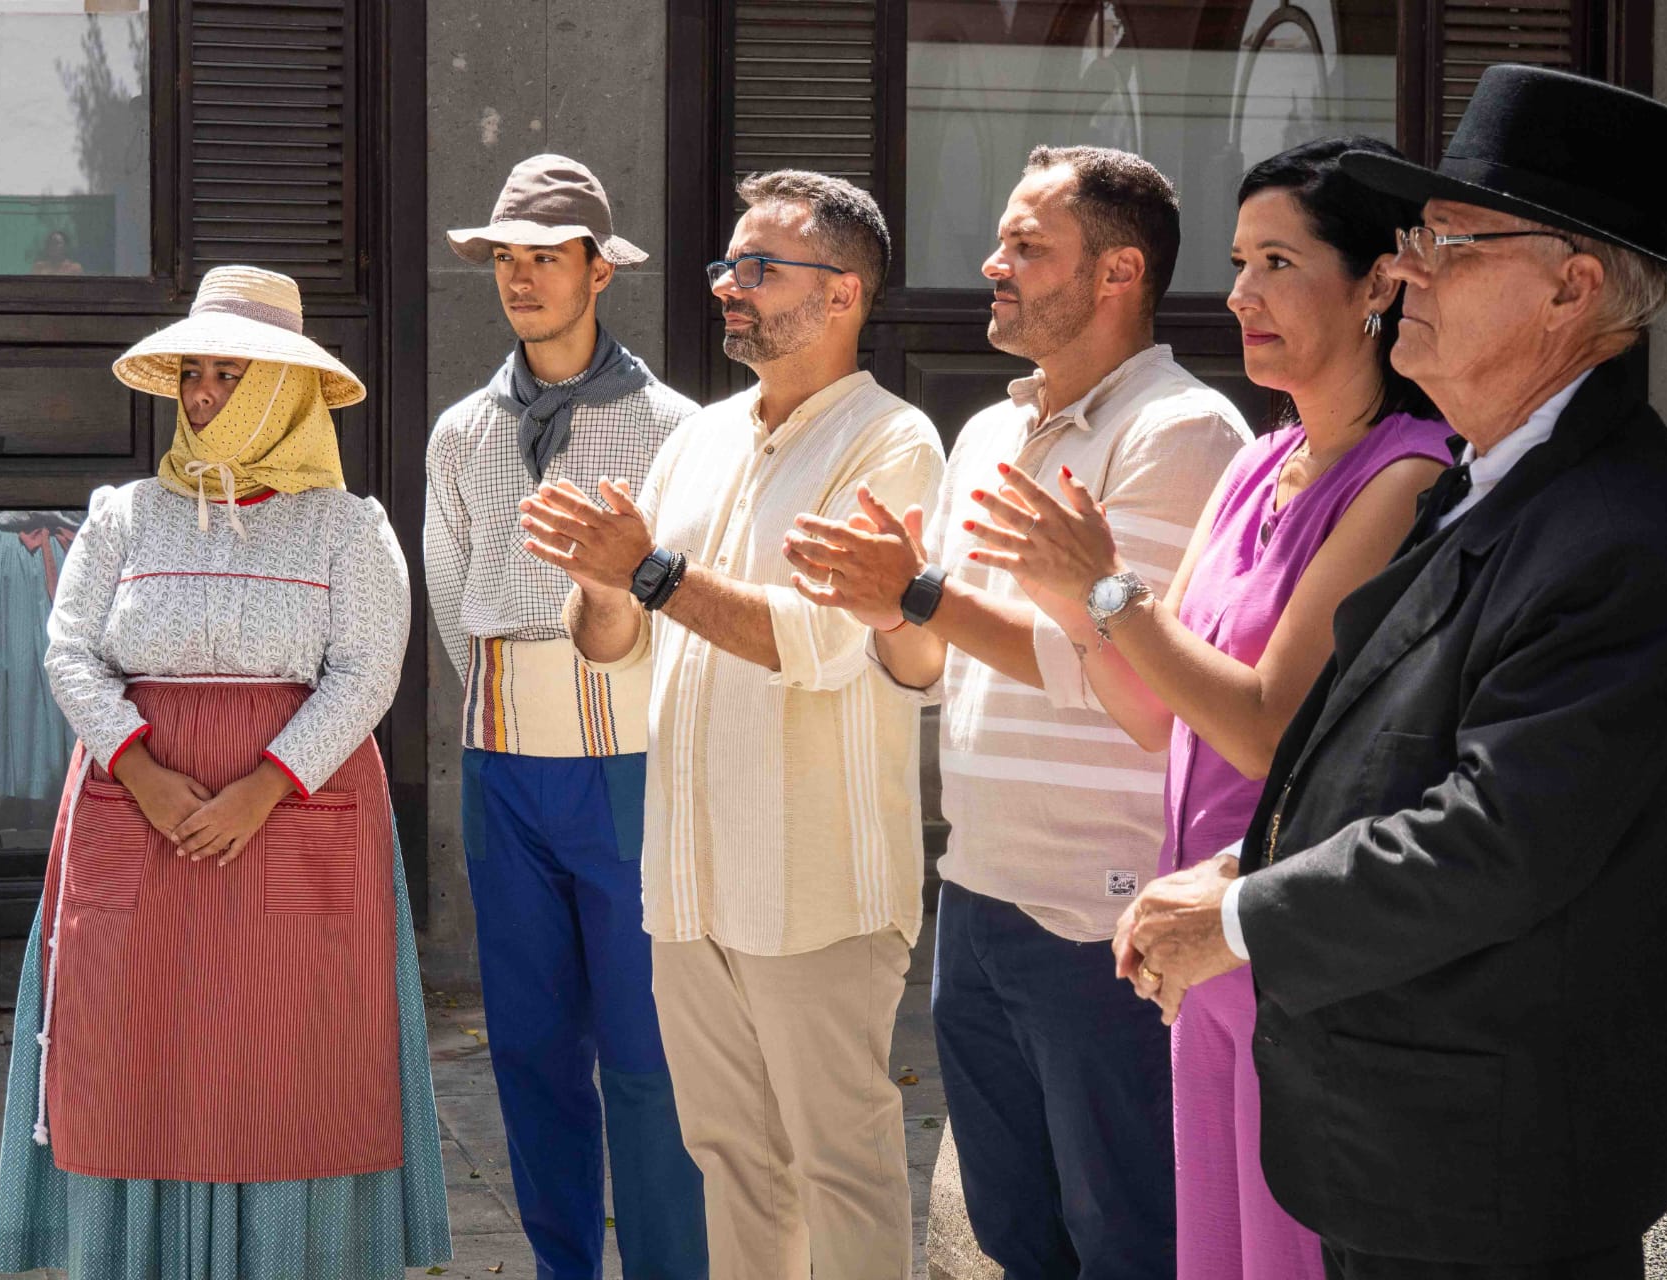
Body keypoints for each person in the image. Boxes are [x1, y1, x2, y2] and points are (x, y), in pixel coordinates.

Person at [1114, 65, 1667, 1279]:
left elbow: (1495, 838)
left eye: (1449, 242)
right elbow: (1377, 744)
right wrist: (1245, 859)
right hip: (1404, 1139)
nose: (1403, 267)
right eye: (1411, 237)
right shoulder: (1495, 472)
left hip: (1494, 1164)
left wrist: (1243, 911)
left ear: (1572, 286)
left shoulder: (1621, 530)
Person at [952, 138, 1451, 1280]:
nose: (1239, 294)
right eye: (1236, 261)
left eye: (1277, 260)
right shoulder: (1253, 462)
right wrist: (1068, 601)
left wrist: (1103, 588)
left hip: (1285, 945)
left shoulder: (1402, 475)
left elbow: (1265, 724)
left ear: (1377, 283)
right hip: (1196, 952)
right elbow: (1148, 710)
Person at [781, 144, 1249, 1280]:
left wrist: (918, 596)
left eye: (1027, 245)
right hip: (979, 896)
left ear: (1115, 272)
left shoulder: (1181, 433)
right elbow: (936, 671)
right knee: (1011, 1242)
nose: (991, 263)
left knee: (1129, 1241)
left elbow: (1123, 677)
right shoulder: (987, 432)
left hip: (1105, 914)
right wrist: (887, 608)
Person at [519, 169, 944, 1280]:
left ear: (843, 293)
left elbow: (817, 643)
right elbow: (610, 642)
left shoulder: (892, 444)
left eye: (759, 268)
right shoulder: (697, 438)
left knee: (837, 1167)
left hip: (818, 885)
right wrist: (603, 581)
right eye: (726, 265)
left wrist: (648, 572)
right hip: (690, 877)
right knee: (729, 1161)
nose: (728, 288)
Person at [0, 265, 451, 1279]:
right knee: (134, 1043)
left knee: (287, 1045)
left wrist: (265, 785)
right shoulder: (122, 516)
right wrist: (142, 772)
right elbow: (70, 651)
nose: (201, 396)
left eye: (226, 375)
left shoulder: (347, 527)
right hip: (133, 808)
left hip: (296, 811)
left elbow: (368, 671)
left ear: (284, 389)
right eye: (192, 375)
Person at [428, 153, 708, 1280]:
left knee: (646, 1053)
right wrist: (508, 711)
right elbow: (452, 603)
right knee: (530, 1047)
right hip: (499, 764)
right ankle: (559, 1266)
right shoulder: (460, 431)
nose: (522, 276)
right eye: (507, 256)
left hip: (630, 760)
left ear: (601, 271)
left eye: (547, 255)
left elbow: (688, 602)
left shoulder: (676, 426)